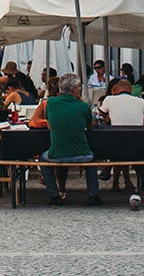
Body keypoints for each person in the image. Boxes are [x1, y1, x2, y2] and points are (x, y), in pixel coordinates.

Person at [39, 73, 102, 206]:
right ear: (74, 89)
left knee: (42, 158)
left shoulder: (50, 103)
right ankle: (93, 194)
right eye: (79, 87)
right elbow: (90, 125)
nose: (79, 89)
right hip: (82, 154)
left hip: (56, 154)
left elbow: (50, 125)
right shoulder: (83, 106)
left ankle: (53, 194)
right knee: (92, 159)